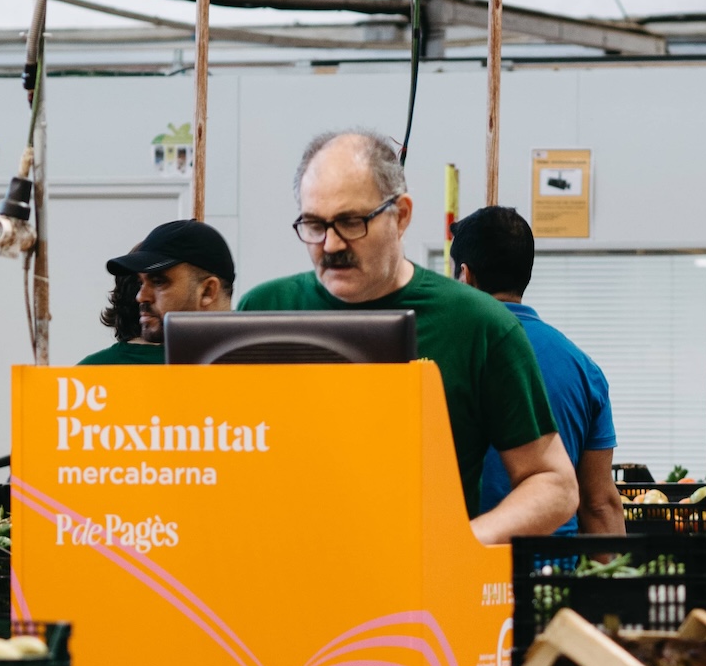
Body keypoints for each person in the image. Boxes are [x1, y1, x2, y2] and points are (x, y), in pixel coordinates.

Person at [239, 130, 577, 542]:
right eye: (313, 224)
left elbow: (553, 482)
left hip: (420, 599)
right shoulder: (264, 311)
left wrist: (457, 546)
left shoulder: (479, 325)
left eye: (350, 222)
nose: (330, 244)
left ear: (401, 215)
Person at [450, 205, 624, 536]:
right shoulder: (583, 369)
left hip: (464, 564)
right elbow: (599, 503)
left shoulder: (440, 356)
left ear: (465, 275)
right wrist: (614, 587)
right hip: (551, 578)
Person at [78, 219, 235, 366]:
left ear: (207, 291)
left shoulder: (254, 371)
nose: (140, 296)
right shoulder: (93, 383)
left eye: (158, 282)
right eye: (141, 283)